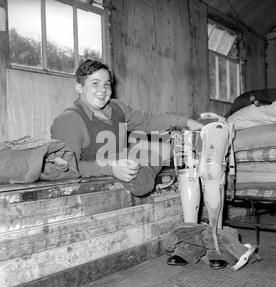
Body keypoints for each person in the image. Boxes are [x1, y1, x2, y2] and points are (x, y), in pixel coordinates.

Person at [51, 59, 203, 197]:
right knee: (142, 178)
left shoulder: (116, 107)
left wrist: (187, 121)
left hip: (122, 166)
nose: (103, 89)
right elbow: (66, 168)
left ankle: (140, 179)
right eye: (95, 83)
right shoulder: (68, 121)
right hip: (91, 189)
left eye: (107, 84)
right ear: (79, 87)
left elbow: (147, 121)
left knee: (152, 156)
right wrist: (111, 169)